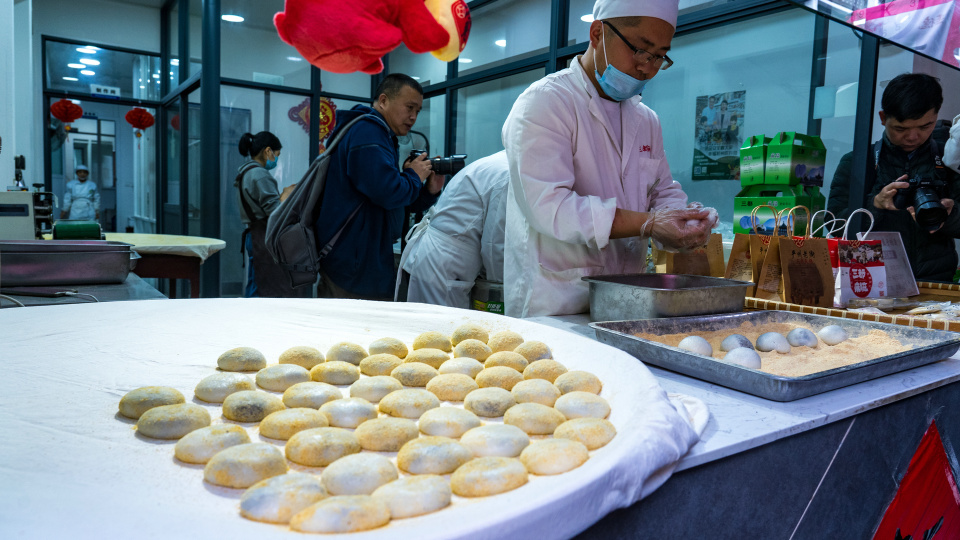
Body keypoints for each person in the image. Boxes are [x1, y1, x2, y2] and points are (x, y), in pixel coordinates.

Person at [501, 0, 715, 317]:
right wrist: (649, 224)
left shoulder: (646, 119)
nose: (648, 67)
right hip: (557, 301)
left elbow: (661, 189)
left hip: (625, 299)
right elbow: (550, 208)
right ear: (598, 33)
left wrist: (682, 218)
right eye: (640, 50)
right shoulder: (546, 103)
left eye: (659, 56)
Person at [314, 73, 444, 300]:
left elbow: (395, 203)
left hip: (359, 262)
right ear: (383, 100)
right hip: (354, 267)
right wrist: (413, 174)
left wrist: (429, 190)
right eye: (409, 107)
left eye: (418, 111)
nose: (413, 117)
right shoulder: (367, 132)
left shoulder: (378, 133)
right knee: (351, 333)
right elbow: (388, 192)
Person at [837, 73, 960, 282]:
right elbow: (834, 226)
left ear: (936, 117)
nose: (913, 137)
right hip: (872, 283)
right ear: (883, 118)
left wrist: (949, 214)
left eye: (924, 126)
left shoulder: (949, 162)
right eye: (901, 128)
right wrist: (875, 205)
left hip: (937, 284)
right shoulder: (858, 162)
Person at [397, 151, 509, 308]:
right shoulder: (506, 175)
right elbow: (495, 244)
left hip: (439, 260)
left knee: (433, 326)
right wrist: (499, 289)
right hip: (443, 267)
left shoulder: (498, 165)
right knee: (441, 328)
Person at [236, 130, 301, 298]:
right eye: (276, 154)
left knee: (256, 281)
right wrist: (286, 194)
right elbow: (275, 213)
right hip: (262, 236)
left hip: (255, 235)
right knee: (262, 286)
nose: (276, 160)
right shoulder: (259, 174)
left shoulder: (245, 171)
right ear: (267, 151)